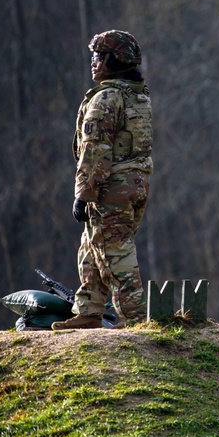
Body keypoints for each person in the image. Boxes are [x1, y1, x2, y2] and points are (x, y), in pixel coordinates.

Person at [52, 30, 153, 330]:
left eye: (99, 57)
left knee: (114, 252)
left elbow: (95, 150)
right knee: (93, 247)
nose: (94, 63)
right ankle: (89, 311)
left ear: (114, 60)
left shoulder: (107, 98)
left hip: (110, 187)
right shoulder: (137, 95)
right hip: (135, 184)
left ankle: (137, 320)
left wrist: (83, 194)